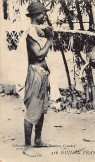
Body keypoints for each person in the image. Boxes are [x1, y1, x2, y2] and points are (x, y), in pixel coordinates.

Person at [23, 2, 53, 157]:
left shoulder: (38, 31)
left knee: (41, 110)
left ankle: (38, 140)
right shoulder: (30, 34)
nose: (44, 16)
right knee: (33, 110)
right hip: (36, 75)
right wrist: (50, 40)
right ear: (35, 15)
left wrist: (47, 35)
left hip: (43, 74)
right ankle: (27, 146)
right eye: (42, 14)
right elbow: (39, 55)